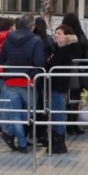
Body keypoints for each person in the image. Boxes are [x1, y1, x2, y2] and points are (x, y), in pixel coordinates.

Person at [0, 14, 46, 153]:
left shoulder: (8, 39)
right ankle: (11, 134)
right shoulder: (36, 40)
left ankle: (21, 144)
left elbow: (1, 60)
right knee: (32, 110)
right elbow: (39, 63)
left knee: (17, 113)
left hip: (10, 79)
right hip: (27, 81)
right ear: (32, 26)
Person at [48, 25, 79, 154]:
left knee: (58, 112)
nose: (56, 35)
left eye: (59, 33)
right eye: (55, 32)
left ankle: (59, 142)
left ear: (66, 35)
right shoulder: (62, 48)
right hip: (58, 84)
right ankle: (57, 140)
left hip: (58, 84)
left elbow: (52, 64)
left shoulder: (64, 49)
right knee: (56, 112)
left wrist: (49, 60)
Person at [60, 12, 88, 135]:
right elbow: (86, 51)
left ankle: (64, 124)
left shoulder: (62, 35)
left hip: (61, 70)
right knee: (75, 98)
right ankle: (72, 124)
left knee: (65, 99)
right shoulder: (80, 36)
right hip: (77, 71)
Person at [32, 17, 57, 146]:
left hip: (32, 74)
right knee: (42, 103)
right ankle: (42, 132)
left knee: (32, 103)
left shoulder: (32, 38)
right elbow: (54, 51)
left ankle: (32, 131)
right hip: (44, 74)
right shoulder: (47, 38)